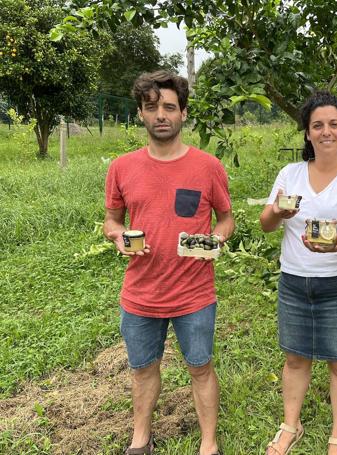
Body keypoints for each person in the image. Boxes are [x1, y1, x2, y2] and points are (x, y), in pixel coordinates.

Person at [103, 70, 234, 455]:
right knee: (143, 370)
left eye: (169, 107)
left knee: (200, 367)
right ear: (141, 114)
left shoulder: (208, 167)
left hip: (194, 293)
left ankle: (208, 444)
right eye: (152, 107)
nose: (161, 114)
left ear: (183, 113)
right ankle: (140, 439)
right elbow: (112, 220)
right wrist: (118, 236)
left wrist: (217, 238)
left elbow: (226, 219)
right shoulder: (122, 168)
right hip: (141, 293)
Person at [260, 91, 337, 455]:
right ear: (307, 133)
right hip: (295, 280)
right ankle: (290, 426)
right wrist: (279, 213)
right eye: (317, 125)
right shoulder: (290, 173)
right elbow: (266, 223)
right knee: (295, 357)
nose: (326, 131)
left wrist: (332, 244)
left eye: (333, 124)